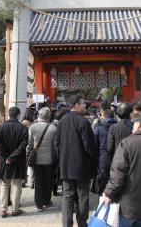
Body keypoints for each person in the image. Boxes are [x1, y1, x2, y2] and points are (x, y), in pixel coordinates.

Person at [103, 110, 141, 227]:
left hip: (127, 206)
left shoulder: (126, 144)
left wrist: (109, 193)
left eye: (135, 122)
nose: (133, 125)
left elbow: (117, 175)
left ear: (140, 125)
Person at [54, 94, 97, 227]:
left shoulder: (62, 121)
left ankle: (67, 224)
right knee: (83, 196)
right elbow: (89, 146)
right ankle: (82, 223)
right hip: (82, 166)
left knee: (67, 197)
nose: (86, 106)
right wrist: (94, 160)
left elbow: (56, 143)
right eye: (83, 104)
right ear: (76, 106)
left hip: (66, 166)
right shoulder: (84, 122)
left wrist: (62, 158)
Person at [0, 107, 28, 218]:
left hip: (5, 161)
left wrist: (6, 157)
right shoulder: (23, 128)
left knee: (5, 184)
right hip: (18, 160)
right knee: (17, 184)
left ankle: (2, 209)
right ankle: (15, 209)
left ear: (9, 114)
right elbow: (23, 146)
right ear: (18, 115)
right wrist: (12, 157)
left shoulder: (0, 127)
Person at [27, 107, 57, 212]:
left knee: (38, 181)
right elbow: (55, 145)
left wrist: (28, 155)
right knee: (48, 181)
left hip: (37, 159)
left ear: (39, 115)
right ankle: (47, 201)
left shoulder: (32, 127)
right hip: (49, 159)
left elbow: (29, 144)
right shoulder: (53, 128)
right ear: (49, 116)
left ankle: (39, 204)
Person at [93, 109, 117, 194]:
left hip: (103, 159)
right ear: (113, 116)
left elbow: (94, 145)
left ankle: (103, 199)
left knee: (103, 181)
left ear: (103, 116)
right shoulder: (118, 126)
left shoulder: (98, 128)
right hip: (117, 157)